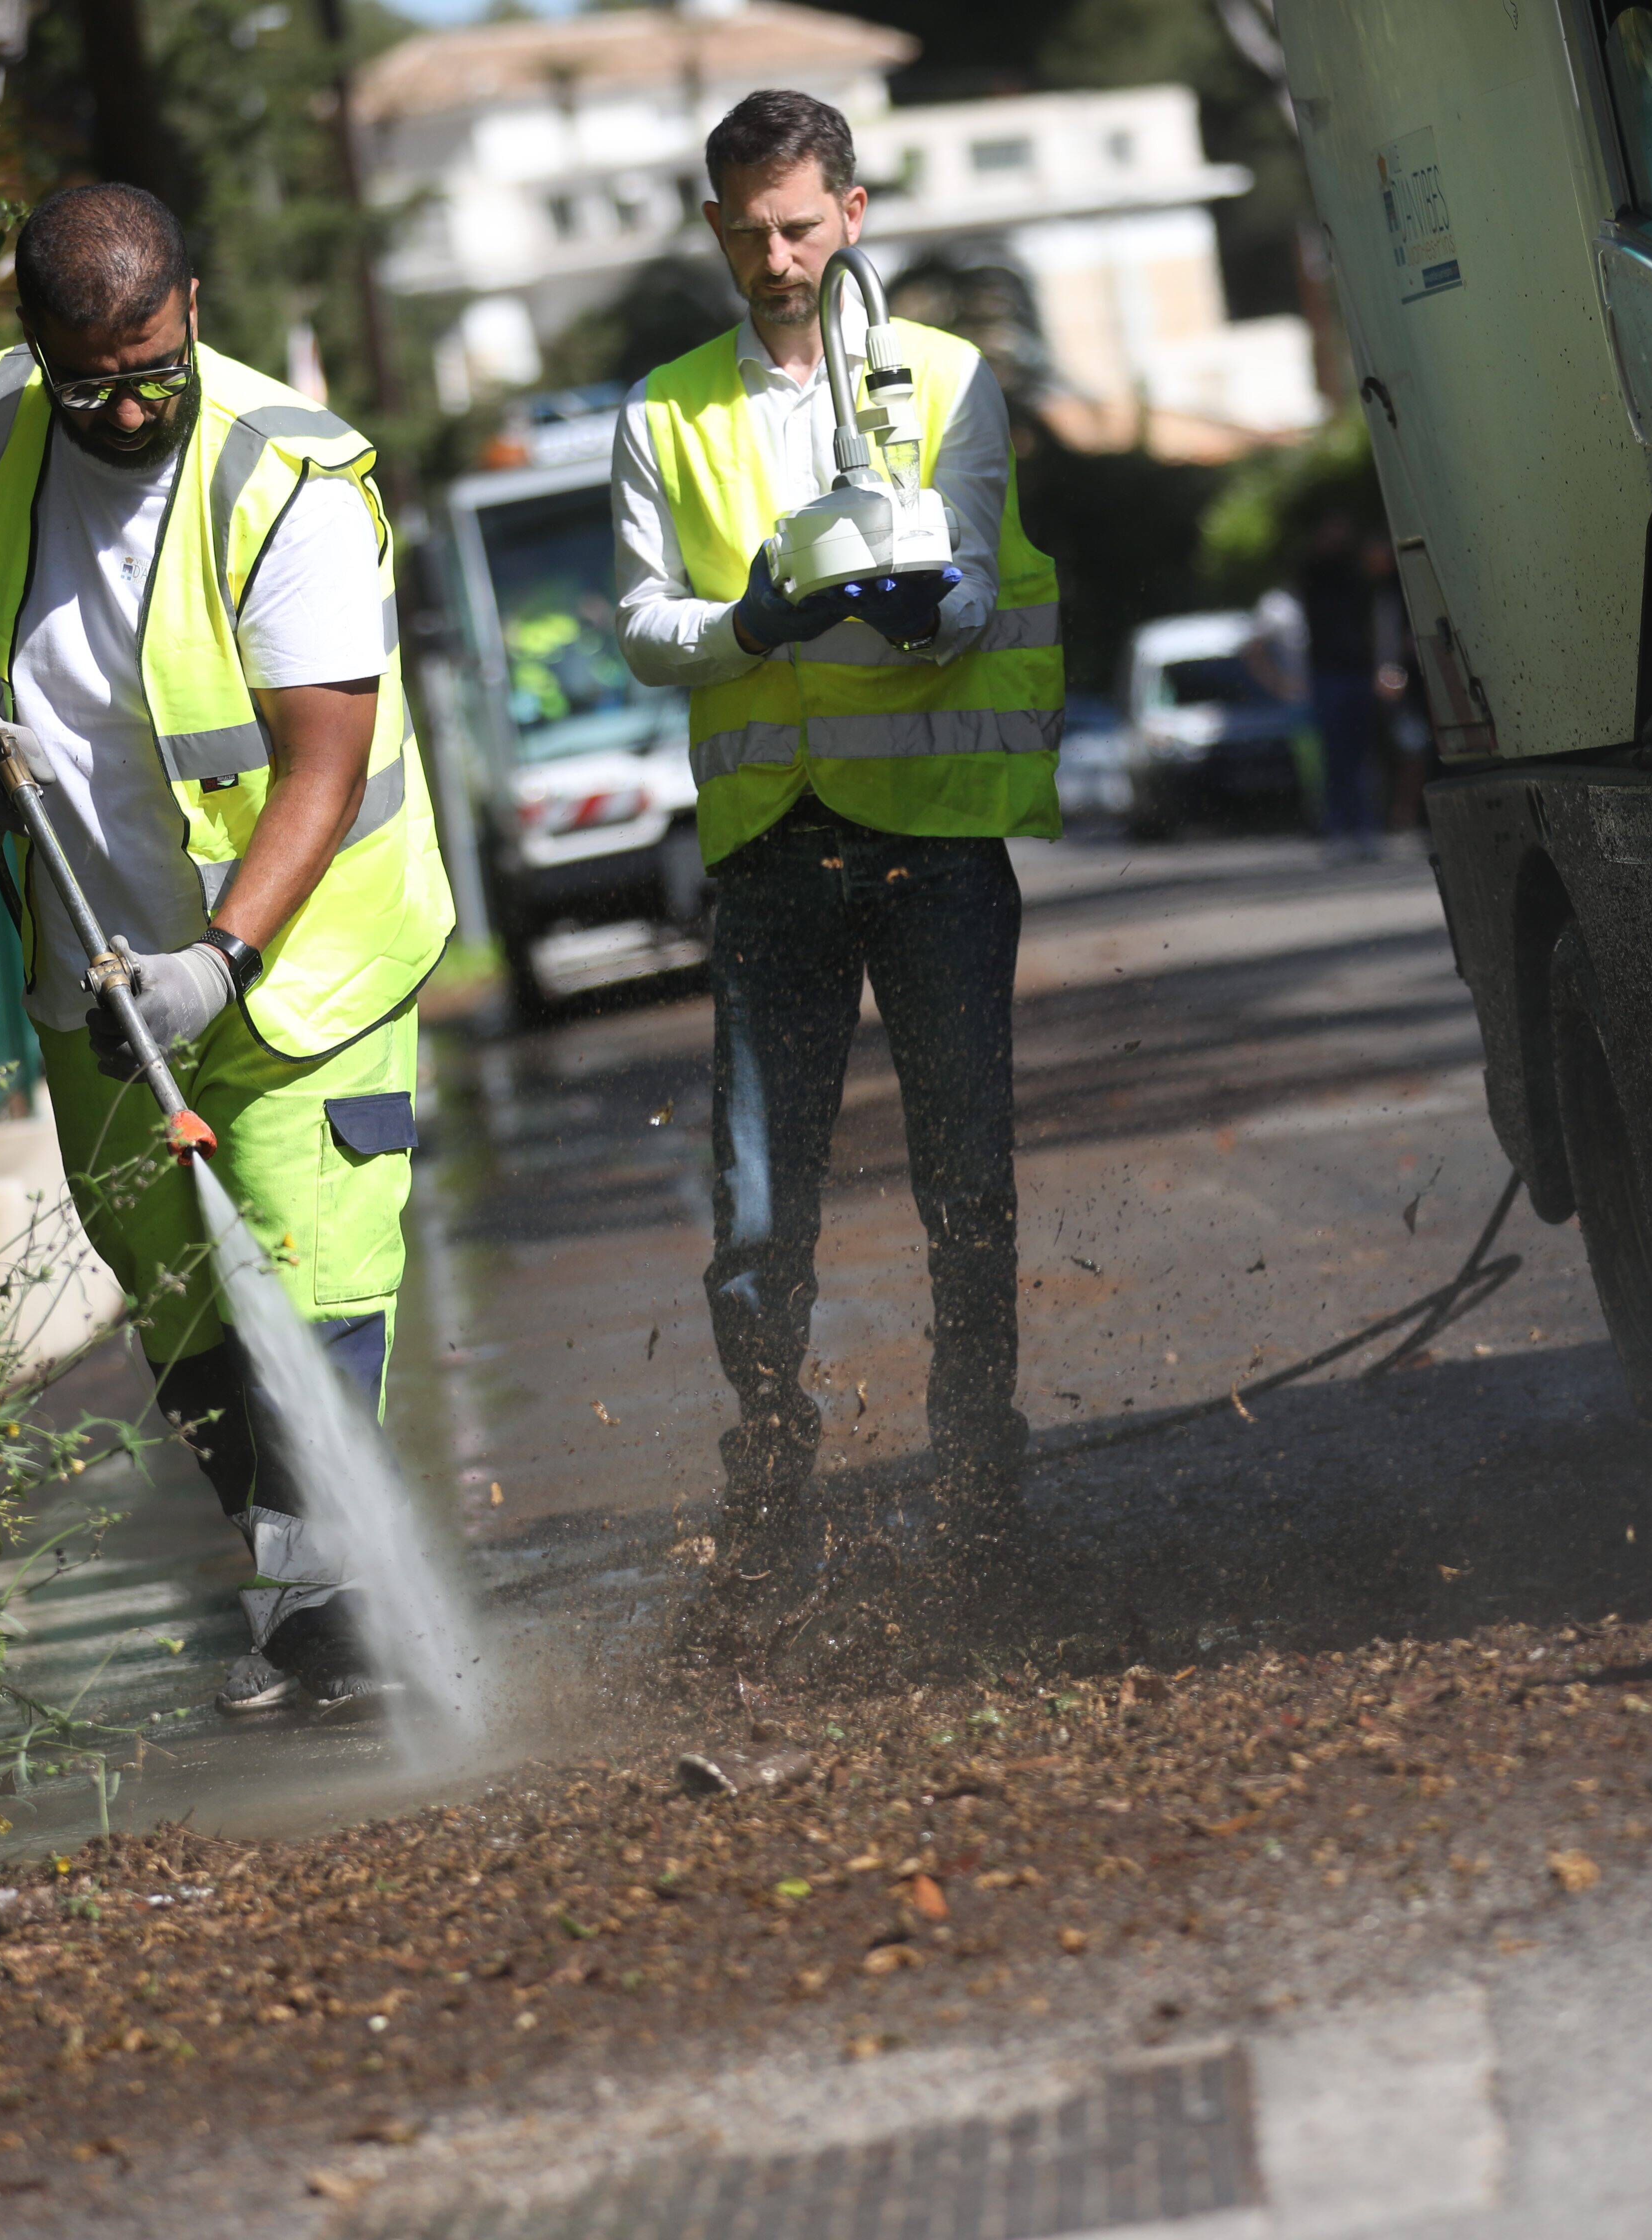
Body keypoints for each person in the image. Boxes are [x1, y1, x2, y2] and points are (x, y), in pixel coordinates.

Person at [0, 184, 454, 1711]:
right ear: (33, 348)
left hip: (300, 968)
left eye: (153, 368)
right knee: (183, 1302)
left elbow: (321, 761)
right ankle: (303, 1597)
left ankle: (343, 1618)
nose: (127, 408)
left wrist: (222, 955)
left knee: (309, 1280)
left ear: (191, 309)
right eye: (92, 384)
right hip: (95, 970)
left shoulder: (287, 483)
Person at [608, 90, 1064, 1618]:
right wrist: (749, 621)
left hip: (932, 844)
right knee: (754, 1206)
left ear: (852, 214)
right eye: (745, 232)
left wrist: (914, 607)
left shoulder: (945, 381)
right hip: (767, 853)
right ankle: (774, 1453)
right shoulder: (661, 409)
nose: (774, 256)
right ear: (713, 229)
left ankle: (976, 1456)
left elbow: (980, 585)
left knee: (966, 1179)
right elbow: (636, 623)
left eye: (798, 226)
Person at [1293, 510, 1385, 862]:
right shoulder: (1314, 573)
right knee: (1336, 756)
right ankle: (1338, 829)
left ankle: (1363, 828)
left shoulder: (1356, 574)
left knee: (1361, 756)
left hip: (1357, 672)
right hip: (1329, 674)